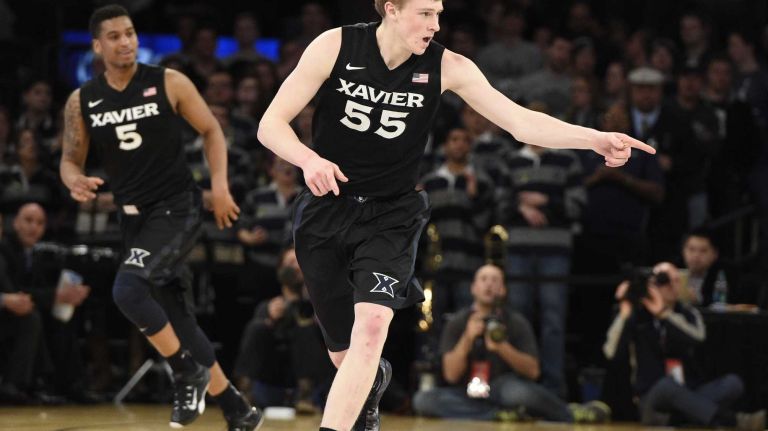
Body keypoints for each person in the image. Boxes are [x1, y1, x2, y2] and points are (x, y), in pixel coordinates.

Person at [256, 1, 655, 430]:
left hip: (391, 214)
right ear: (391, 9)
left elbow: (520, 123)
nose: (435, 24)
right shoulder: (335, 45)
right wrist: (307, 160)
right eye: (425, 13)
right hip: (326, 209)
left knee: (371, 329)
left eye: (439, 13)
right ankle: (371, 383)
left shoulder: (449, 66)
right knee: (344, 354)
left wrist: (593, 139)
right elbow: (270, 124)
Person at [58, 5, 261, 430]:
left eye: (129, 33)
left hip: (176, 208)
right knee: (178, 318)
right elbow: (69, 160)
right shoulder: (83, 100)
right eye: (114, 36)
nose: (125, 41)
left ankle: (186, 373)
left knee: (128, 290)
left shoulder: (169, 81)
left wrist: (219, 187)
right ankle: (237, 410)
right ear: (97, 46)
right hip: (132, 220)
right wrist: (74, 180)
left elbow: (211, 130)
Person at [412, 264, 610, 423]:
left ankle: (568, 413)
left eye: (495, 280)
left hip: (504, 388)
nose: (489, 285)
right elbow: (451, 375)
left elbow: (533, 371)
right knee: (424, 400)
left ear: (503, 289)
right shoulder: (458, 323)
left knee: (517, 394)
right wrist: (467, 338)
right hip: (468, 393)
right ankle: (500, 414)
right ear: (473, 287)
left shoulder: (515, 321)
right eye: (483, 279)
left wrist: (501, 347)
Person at [603, 263, 765, 429]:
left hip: (688, 391)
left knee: (732, 384)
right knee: (667, 385)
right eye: (664, 281)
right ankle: (734, 421)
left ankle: (680, 418)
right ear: (651, 285)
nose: (671, 286)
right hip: (653, 397)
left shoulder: (687, 313)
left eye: (676, 281)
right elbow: (611, 352)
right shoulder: (636, 315)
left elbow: (697, 337)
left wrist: (664, 314)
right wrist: (624, 311)